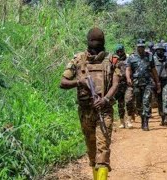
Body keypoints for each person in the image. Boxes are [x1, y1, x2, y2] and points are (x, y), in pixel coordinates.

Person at [60, 27, 120, 180]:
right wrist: (79, 82)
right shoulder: (78, 59)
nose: (96, 46)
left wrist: (105, 99)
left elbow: (116, 83)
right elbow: (63, 82)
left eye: (99, 42)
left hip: (104, 110)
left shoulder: (112, 59)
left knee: (103, 151)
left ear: (103, 42)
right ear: (88, 42)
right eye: (93, 42)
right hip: (85, 111)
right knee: (92, 152)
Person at [126, 39, 161, 131]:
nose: (141, 48)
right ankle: (142, 119)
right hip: (136, 84)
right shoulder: (131, 57)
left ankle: (146, 122)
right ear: (137, 47)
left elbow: (154, 70)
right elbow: (128, 69)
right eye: (139, 47)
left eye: (142, 46)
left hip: (147, 83)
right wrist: (128, 78)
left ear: (144, 47)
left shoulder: (149, 56)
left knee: (146, 102)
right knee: (138, 104)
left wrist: (157, 82)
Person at [114, 44, 134, 129]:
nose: (119, 53)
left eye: (120, 51)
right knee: (120, 104)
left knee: (129, 101)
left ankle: (129, 120)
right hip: (119, 85)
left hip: (128, 83)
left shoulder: (129, 59)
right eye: (118, 52)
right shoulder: (115, 60)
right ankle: (122, 122)